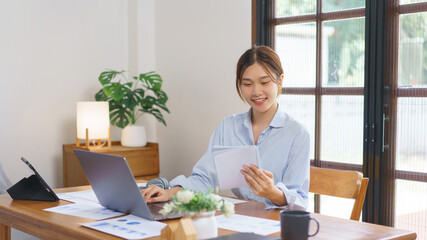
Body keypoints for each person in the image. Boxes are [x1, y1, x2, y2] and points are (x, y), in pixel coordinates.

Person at [142, 46, 310, 210]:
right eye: (247, 84)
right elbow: (205, 178)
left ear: (280, 80)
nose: (256, 91)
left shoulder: (297, 134)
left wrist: (273, 193)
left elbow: (300, 200)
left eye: (264, 82)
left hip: (277, 223)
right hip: (240, 217)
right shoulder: (228, 127)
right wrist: (171, 192)